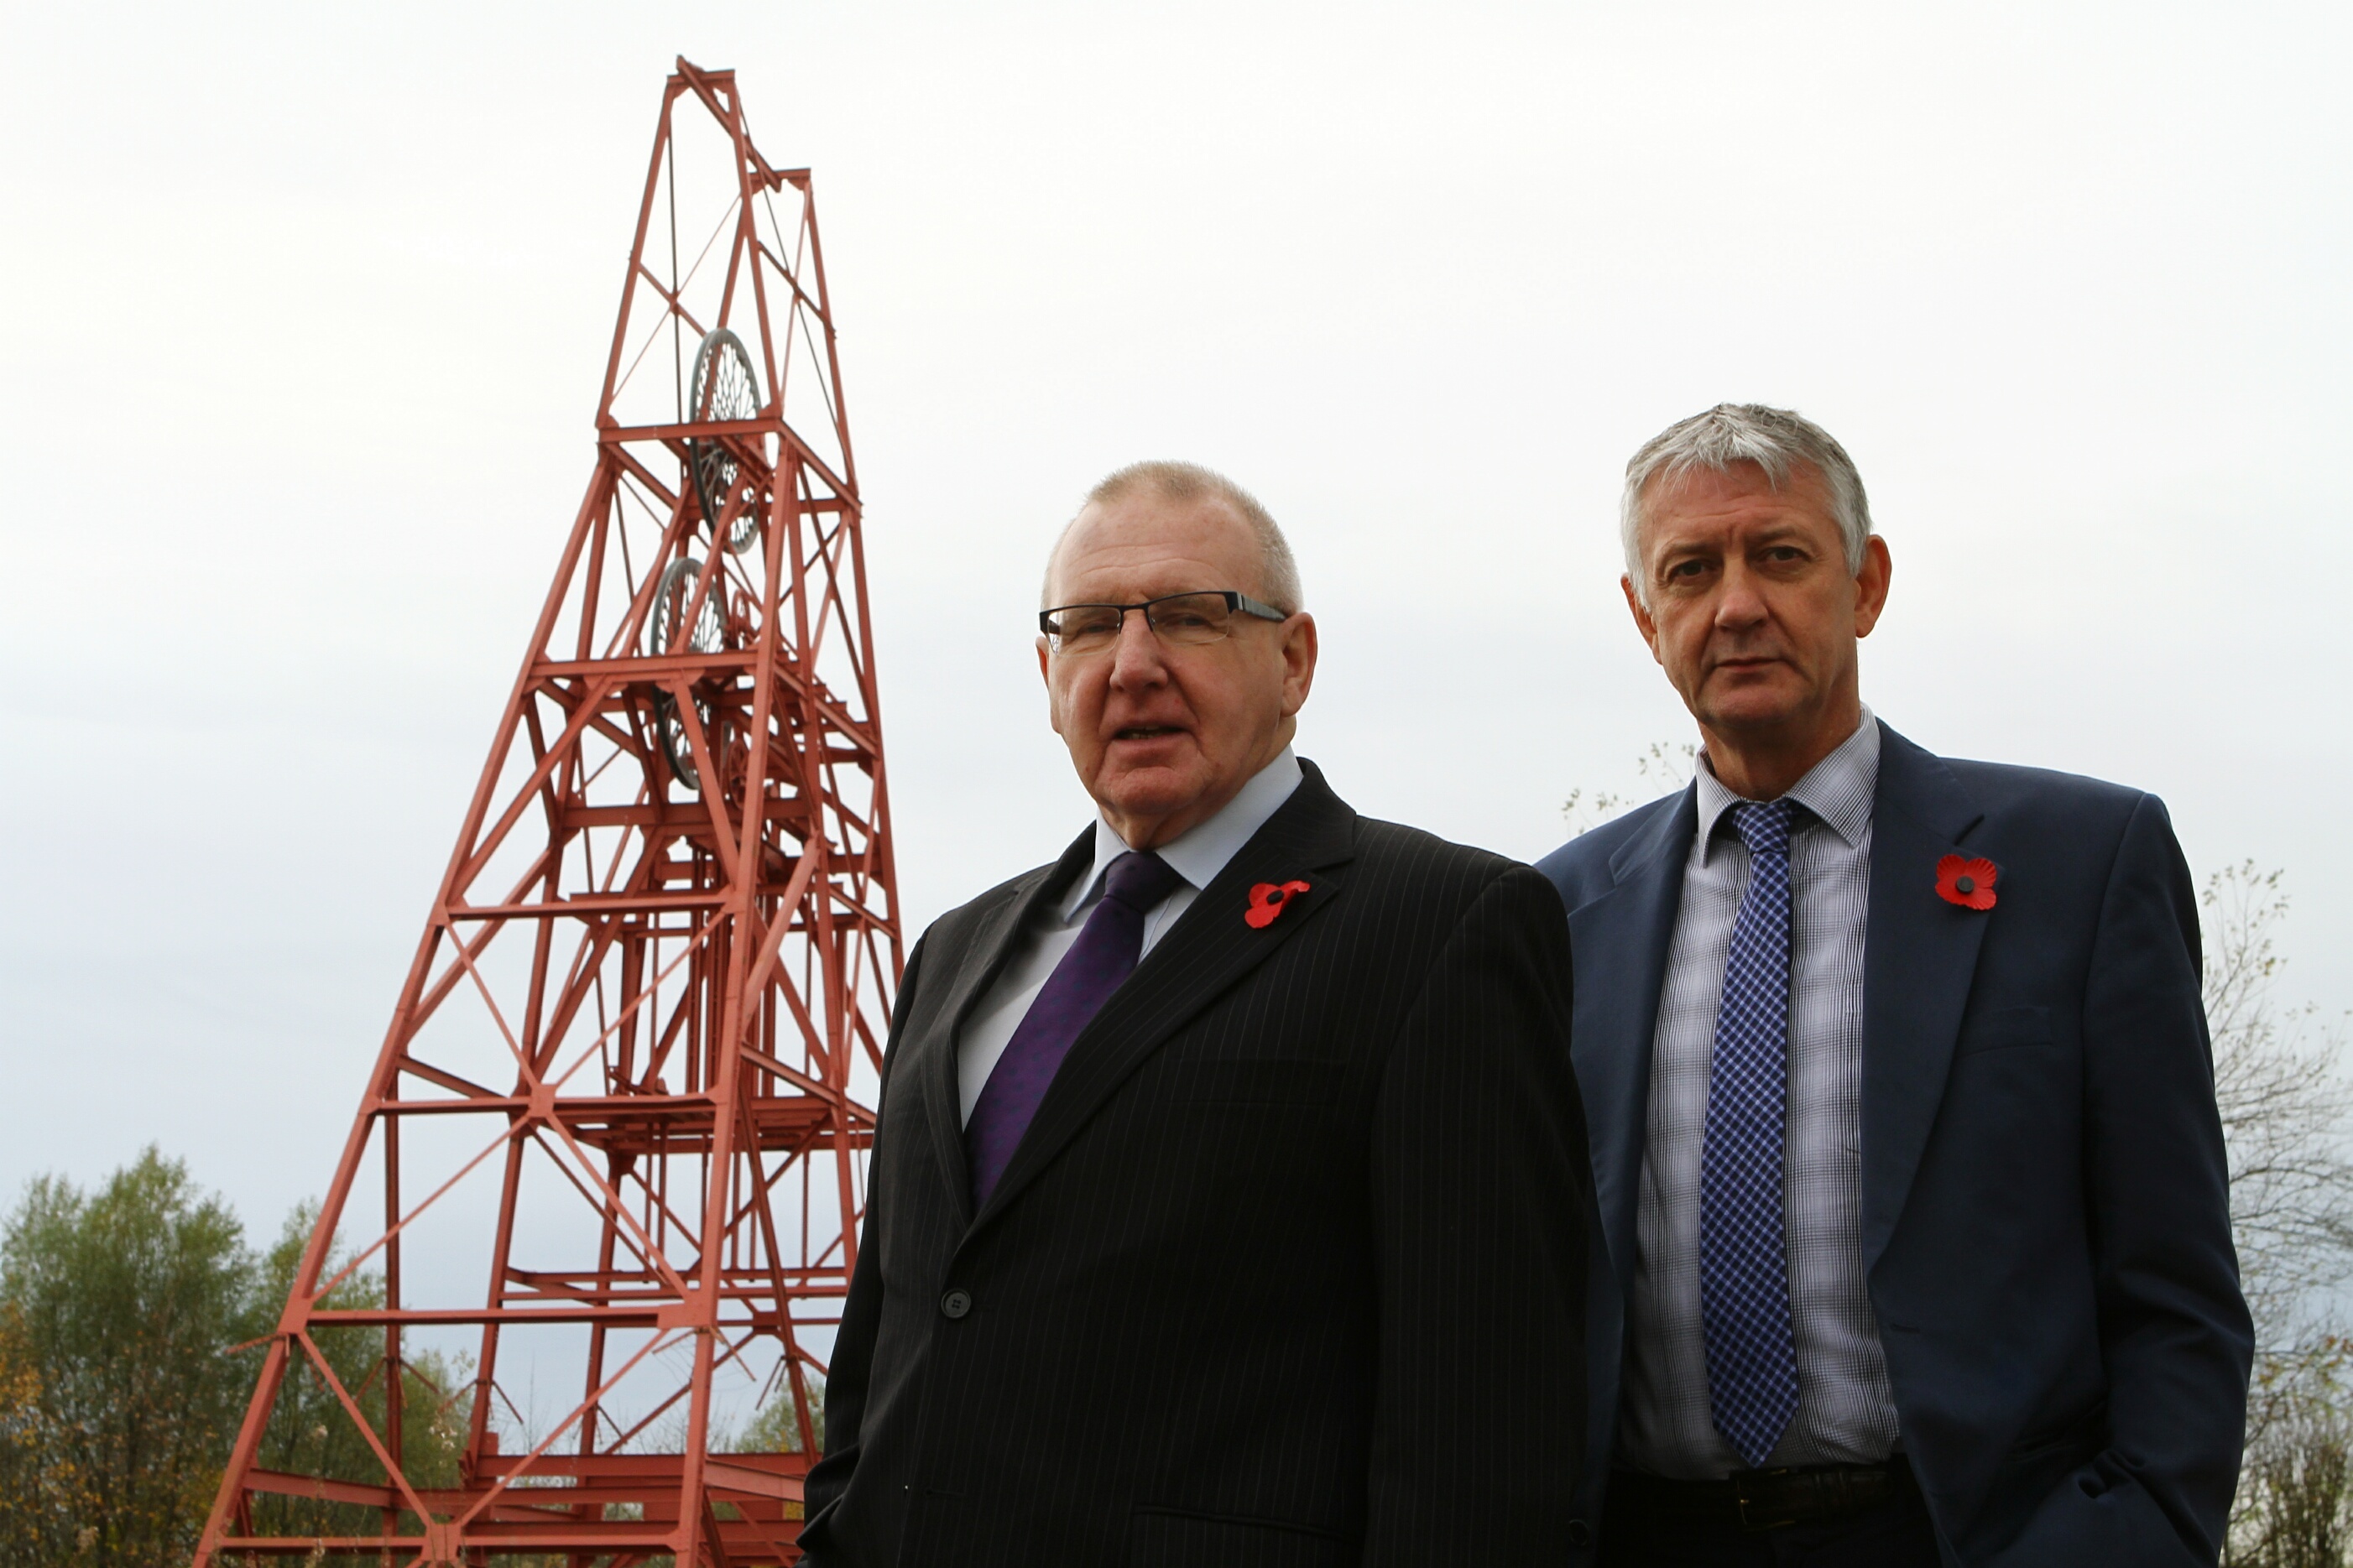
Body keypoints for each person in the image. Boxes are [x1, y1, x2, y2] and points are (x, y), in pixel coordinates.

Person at [801, 461, 1593, 1566]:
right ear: (1046, 669)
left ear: (1294, 659)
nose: (1131, 667)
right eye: (1088, 628)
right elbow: (885, 1351)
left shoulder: (1440, 928)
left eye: (1187, 617)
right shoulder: (955, 952)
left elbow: (1481, 1433)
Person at [1537, 405, 2250, 1565]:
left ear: (1865, 585)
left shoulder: (2079, 863)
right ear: (1642, 616)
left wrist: (2134, 1537)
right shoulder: (1561, 913)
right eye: (1690, 569)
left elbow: (2177, 1291)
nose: (1737, 605)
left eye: (1780, 555)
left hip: (1970, 1536)